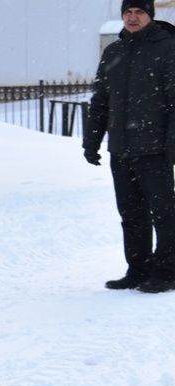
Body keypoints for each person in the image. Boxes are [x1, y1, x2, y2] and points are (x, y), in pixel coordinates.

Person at [84, 1, 175, 294]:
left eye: (139, 12)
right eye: (128, 12)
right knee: (131, 213)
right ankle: (138, 269)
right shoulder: (114, 52)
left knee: (164, 214)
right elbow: (100, 101)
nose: (132, 17)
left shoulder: (168, 49)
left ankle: (167, 272)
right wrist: (92, 141)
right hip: (121, 150)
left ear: (150, 15)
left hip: (155, 150)